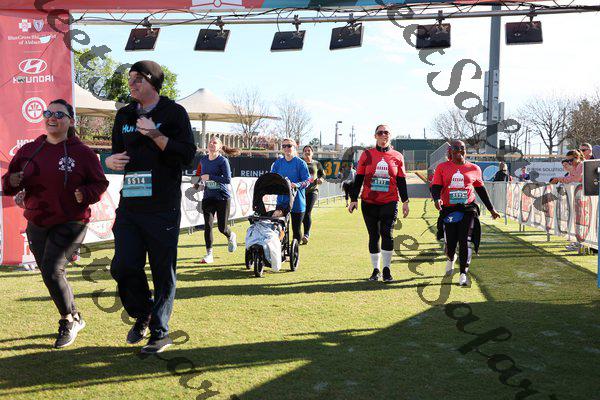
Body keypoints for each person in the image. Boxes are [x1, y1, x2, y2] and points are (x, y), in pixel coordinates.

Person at [1, 99, 109, 348]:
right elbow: (9, 184)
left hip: (72, 221)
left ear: (71, 121)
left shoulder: (83, 153)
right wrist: (12, 181)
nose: (52, 117)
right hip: (37, 221)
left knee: (52, 270)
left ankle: (68, 320)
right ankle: (75, 316)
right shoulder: (29, 150)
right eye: (48, 113)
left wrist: (86, 193)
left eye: (59, 114)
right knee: (50, 274)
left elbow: (100, 183)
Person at [105, 61, 196, 354]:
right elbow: (117, 153)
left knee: (162, 271)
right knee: (123, 266)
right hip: (130, 204)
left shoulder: (174, 113)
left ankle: (160, 333)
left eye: (138, 79)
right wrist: (109, 161)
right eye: (130, 79)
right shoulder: (124, 115)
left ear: (153, 82)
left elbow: (187, 155)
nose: (131, 84)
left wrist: (155, 134)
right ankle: (142, 312)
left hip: (162, 206)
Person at [430, 140, 501, 286]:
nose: (459, 151)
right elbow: (436, 186)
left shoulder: (474, 168)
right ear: (450, 151)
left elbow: (481, 190)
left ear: (465, 151)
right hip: (449, 209)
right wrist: (437, 199)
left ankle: (463, 273)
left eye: (462, 148)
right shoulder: (442, 167)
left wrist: (491, 209)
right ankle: (451, 257)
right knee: (450, 243)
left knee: (465, 240)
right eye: (455, 148)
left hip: (468, 209)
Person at [348, 124, 410, 283]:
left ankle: (386, 269)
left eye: (386, 132)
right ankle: (376, 270)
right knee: (373, 235)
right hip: (369, 201)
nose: (383, 135)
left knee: (387, 233)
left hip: (389, 200)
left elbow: (401, 180)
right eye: (380, 132)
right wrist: (353, 199)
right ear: (375, 136)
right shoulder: (366, 155)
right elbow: (359, 178)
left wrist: (405, 201)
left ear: (390, 135)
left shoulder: (397, 156)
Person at [194, 136, 241, 263]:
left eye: (215, 142)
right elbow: (199, 176)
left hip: (222, 197)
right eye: (210, 142)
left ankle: (231, 235)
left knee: (222, 228)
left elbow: (227, 179)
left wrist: (210, 177)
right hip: (208, 197)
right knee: (208, 226)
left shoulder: (222, 161)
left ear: (220, 147)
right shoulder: (203, 160)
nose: (211, 144)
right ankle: (209, 254)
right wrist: (196, 184)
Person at [271, 138, 311, 243]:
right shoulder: (277, 163)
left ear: (294, 147)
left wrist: (296, 185)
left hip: (297, 202)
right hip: (282, 202)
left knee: (296, 231)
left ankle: (295, 251)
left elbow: (307, 180)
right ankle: (280, 249)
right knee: (279, 228)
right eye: (284, 146)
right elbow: (272, 178)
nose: (286, 148)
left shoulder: (301, 163)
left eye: (289, 146)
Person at [301, 145, 325, 244]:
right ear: (303, 153)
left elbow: (322, 174)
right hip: (301, 191)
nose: (307, 152)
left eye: (309, 150)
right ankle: (298, 234)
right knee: (300, 212)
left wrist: (321, 179)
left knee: (307, 212)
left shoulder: (317, 163)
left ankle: (306, 234)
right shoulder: (300, 163)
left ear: (312, 153)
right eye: (305, 151)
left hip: (312, 191)